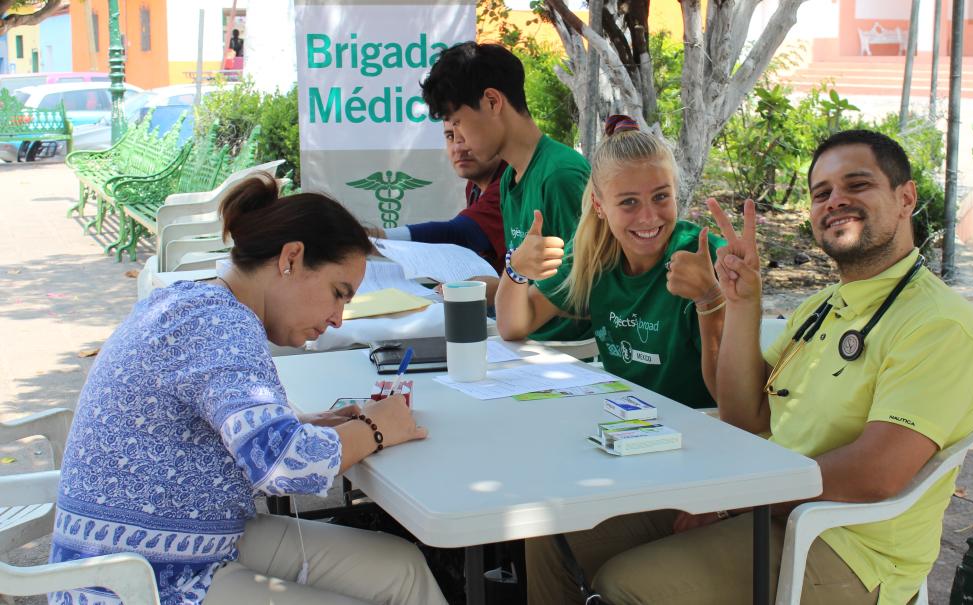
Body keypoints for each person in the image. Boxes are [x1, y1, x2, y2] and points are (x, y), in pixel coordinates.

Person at [526, 129, 973, 605]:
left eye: (858, 185)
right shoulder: (822, 308)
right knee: (554, 538)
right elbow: (744, 416)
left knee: (627, 585)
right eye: (822, 193)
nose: (837, 201)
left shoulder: (936, 323)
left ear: (906, 196)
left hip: (847, 544)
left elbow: (877, 474)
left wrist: (737, 500)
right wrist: (741, 302)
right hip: (764, 504)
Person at [50, 173, 447, 605]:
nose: (337, 318)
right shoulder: (221, 325)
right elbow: (283, 465)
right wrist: (374, 427)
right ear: (291, 258)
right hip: (143, 580)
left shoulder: (199, 302)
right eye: (338, 293)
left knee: (403, 570)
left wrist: (305, 424)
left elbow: (215, 432)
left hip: (175, 544)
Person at [496, 115, 725, 409]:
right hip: (624, 424)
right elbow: (513, 325)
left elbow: (731, 399)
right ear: (599, 205)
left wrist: (711, 300)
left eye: (661, 197)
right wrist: (516, 268)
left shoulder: (706, 258)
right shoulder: (596, 259)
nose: (648, 216)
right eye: (629, 201)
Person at [422, 41, 592, 342]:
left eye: (459, 121)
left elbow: (585, 290)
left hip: (562, 355)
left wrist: (507, 290)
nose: (458, 139)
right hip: (521, 343)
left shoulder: (560, 174)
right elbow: (531, 277)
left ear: (491, 101)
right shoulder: (508, 179)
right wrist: (498, 285)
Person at [369, 120, 507, 303]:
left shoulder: (510, 182)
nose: (459, 147)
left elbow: (462, 233)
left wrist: (378, 238)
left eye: (468, 135)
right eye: (451, 136)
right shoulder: (474, 186)